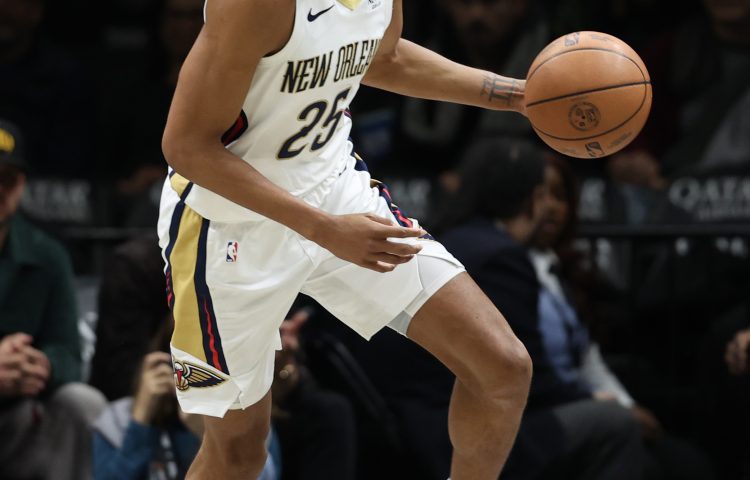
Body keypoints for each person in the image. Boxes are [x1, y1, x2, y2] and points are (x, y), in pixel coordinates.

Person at [158, 0, 533, 478]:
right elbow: (187, 145)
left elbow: (386, 58)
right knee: (239, 455)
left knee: (502, 368)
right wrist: (322, 229)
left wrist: (516, 96)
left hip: (334, 191)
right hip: (228, 222)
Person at [440, 138, 647, 480]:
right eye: (545, 194)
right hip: (464, 431)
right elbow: (520, 370)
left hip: (438, 417)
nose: (550, 207)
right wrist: (598, 400)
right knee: (617, 423)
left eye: (560, 195)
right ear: (533, 198)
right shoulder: (502, 257)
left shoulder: (453, 242)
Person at [0, 119, 107, 479]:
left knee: (82, 401)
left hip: (17, 412)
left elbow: (68, 352)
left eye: (7, 179)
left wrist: (40, 365)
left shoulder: (45, 254)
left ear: (22, 185)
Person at [92, 318, 280, 480]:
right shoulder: (117, 421)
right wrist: (140, 421)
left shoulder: (247, 418)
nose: (196, 375)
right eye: (187, 360)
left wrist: (211, 435)